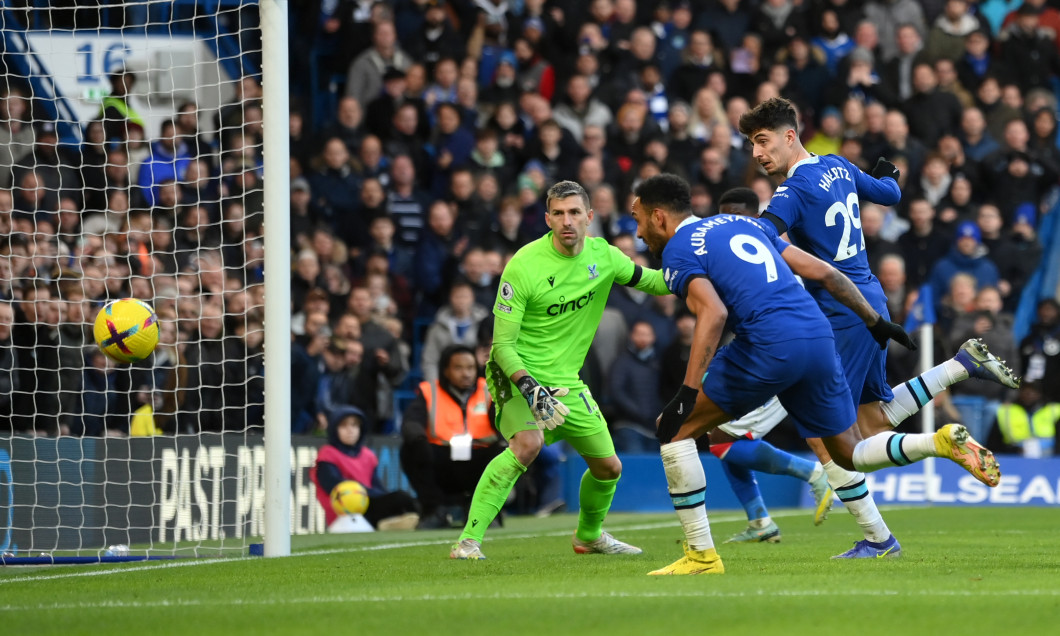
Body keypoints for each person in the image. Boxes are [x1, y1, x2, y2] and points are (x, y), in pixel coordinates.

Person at [630, 173, 1003, 576]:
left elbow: (714, 313)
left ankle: (702, 556)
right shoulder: (749, 224)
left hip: (768, 344)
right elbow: (826, 273)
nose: (637, 232)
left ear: (659, 217)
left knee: (674, 429)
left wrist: (687, 390)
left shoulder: (680, 249)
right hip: (818, 336)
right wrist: (875, 321)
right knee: (848, 451)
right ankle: (938, 442)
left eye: (637, 219)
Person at [737, 97, 1019, 554]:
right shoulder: (839, 165)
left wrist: (737, 240)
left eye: (763, 142)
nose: (757, 153)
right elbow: (890, 195)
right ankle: (959, 365)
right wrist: (888, 173)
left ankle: (932, 453)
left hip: (839, 313)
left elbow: (764, 235)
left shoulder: (792, 191)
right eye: (752, 144)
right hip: (873, 305)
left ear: (790, 136)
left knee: (837, 442)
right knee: (874, 416)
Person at [449, 180, 671, 560]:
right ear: (548, 218)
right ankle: (468, 542)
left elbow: (655, 282)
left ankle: (589, 536)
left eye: (574, 213)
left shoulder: (605, 256)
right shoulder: (523, 265)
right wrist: (530, 387)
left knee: (608, 466)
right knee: (527, 445)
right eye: (558, 213)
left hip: (566, 381)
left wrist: (704, 269)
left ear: (589, 216)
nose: (567, 221)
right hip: (517, 374)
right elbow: (501, 346)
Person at [400, 345, 505, 529]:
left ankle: (484, 512)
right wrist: (417, 437)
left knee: (505, 451)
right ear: (445, 370)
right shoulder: (429, 392)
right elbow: (411, 422)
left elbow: (504, 422)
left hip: (478, 458)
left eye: (470, 368)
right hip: (441, 460)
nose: (466, 374)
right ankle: (435, 511)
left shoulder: (489, 390)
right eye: (458, 368)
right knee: (411, 448)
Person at [309, 405, 421, 531]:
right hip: (345, 509)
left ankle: (400, 520)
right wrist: (365, 493)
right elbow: (333, 486)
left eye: (354, 425)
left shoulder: (367, 454)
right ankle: (387, 521)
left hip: (368, 501)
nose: (350, 430)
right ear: (334, 429)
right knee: (393, 498)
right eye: (344, 425)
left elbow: (377, 486)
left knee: (402, 498)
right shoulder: (327, 454)